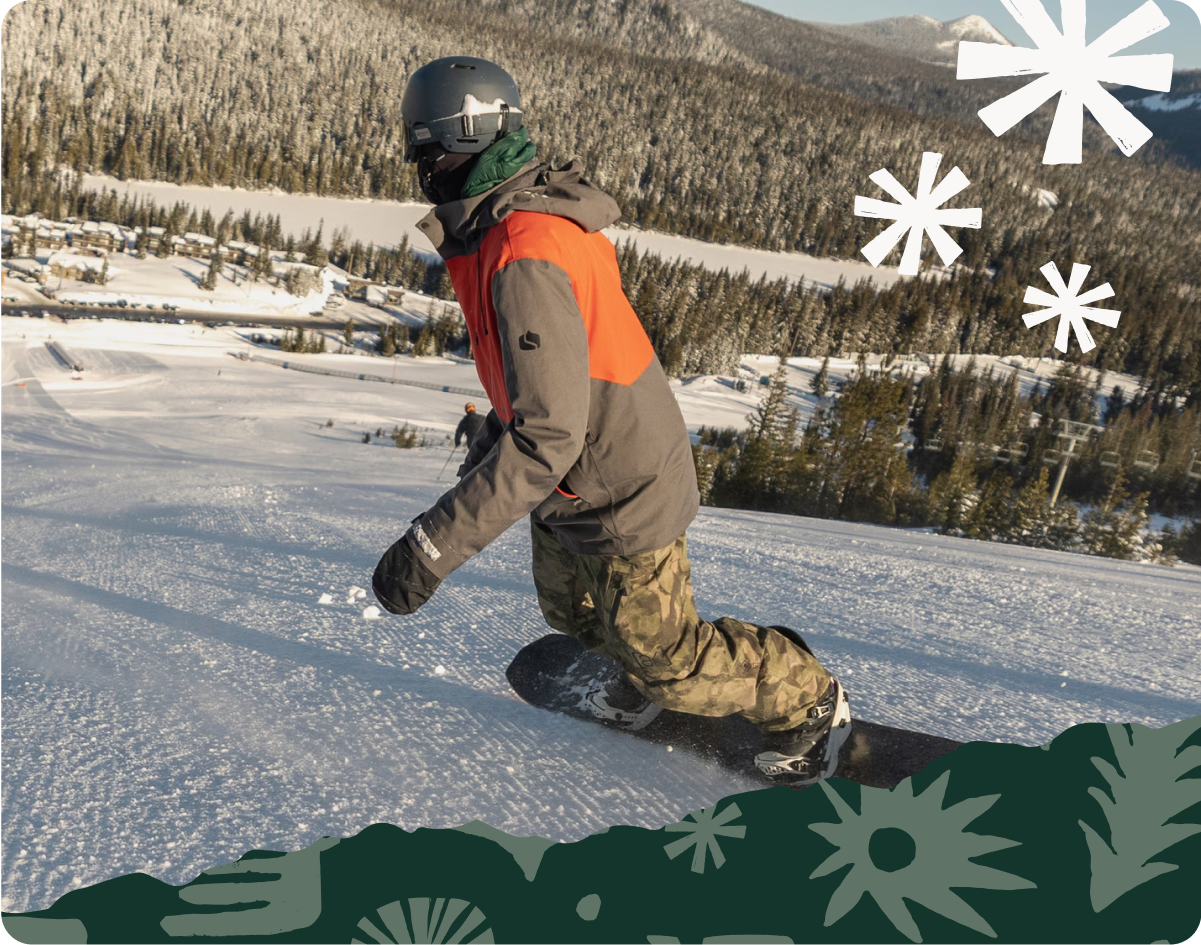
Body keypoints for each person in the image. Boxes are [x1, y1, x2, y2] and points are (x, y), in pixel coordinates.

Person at [372, 56, 851, 783]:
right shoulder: (505, 224)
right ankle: (633, 676)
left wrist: (431, 546)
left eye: (424, 149)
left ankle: (803, 695)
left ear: (462, 142)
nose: (418, 166)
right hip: (570, 480)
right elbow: (542, 394)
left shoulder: (522, 251)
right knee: (573, 612)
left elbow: (550, 435)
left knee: (671, 657)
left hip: (619, 481)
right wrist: (491, 451)